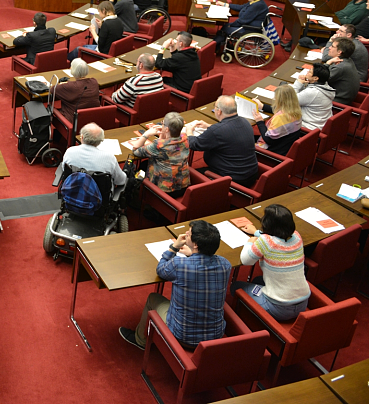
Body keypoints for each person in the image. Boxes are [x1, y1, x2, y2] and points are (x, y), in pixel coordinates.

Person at [119, 220, 231, 349]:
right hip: (215, 335)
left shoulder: (179, 265)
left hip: (183, 336)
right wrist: (192, 255)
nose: (186, 233)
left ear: (195, 245)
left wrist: (174, 247)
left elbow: (160, 269)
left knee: (152, 298)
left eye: (189, 234)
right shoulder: (225, 264)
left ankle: (140, 341)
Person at [233, 205, 310, 321]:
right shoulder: (297, 236)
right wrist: (256, 232)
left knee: (235, 286)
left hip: (279, 308)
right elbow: (277, 238)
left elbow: (246, 261)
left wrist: (250, 242)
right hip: (303, 303)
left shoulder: (266, 242)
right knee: (258, 280)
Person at [184, 96, 259, 186]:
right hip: (250, 174)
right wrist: (209, 126)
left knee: (185, 178)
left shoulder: (216, 131)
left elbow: (194, 144)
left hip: (230, 178)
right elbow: (228, 130)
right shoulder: (245, 122)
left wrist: (189, 130)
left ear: (219, 111)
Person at [132, 112, 190, 196]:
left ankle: (140, 195)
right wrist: (163, 135)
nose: (161, 124)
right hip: (183, 186)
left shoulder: (159, 146)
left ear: (167, 129)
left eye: (162, 123)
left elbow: (136, 150)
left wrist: (146, 134)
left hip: (165, 191)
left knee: (140, 168)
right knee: (144, 164)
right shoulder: (185, 138)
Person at [61, 123, 127, 192]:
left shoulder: (70, 151)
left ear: (82, 137)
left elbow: (64, 170)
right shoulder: (109, 158)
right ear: (100, 141)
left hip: (72, 193)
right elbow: (121, 181)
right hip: (98, 199)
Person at [250, 85, 303, 155]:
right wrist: (262, 106)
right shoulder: (296, 111)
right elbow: (278, 110)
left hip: (270, 152)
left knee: (241, 141)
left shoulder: (280, 118)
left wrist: (260, 122)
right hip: (284, 146)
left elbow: (268, 140)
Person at [52, 58, 99, 126]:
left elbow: (53, 89)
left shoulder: (70, 86)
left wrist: (63, 84)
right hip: (92, 122)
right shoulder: (94, 81)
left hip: (72, 123)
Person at [292, 63, 335, 130]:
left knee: (279, 110)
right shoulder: (325, 85)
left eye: (309, 72)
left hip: (309, 127)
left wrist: (298, 83)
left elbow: (290, 100)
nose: (307, 72)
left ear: (315, 78)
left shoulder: (313, 92)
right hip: (321, 123)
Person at [326, 37, 361, 105]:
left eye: (332, 46)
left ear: (339, 52)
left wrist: (327, 63)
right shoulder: (348, 60)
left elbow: (319, 79)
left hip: (337, 102)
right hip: (341, 96)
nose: (329, 48)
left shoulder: (340, 67)